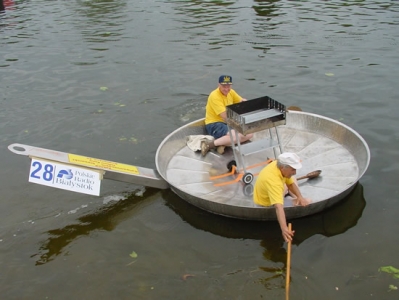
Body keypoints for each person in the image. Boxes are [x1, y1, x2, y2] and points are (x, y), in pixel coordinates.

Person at [253, 152, 311, 242]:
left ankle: (293, 197)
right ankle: (291, 199)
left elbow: (290, 183)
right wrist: (284, 229)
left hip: (270, 191)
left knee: (293, 180)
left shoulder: (277, 165)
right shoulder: (274, 182)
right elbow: (278, 207)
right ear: (283, 168)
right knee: (308, 200)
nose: (295, 172)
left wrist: (300, 197)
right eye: (293, 170)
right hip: (266, 203)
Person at [201, 75, 253, 156]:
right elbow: (224, 116)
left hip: (227, 123)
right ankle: (209, 144)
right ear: (219, 85)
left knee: (249, 134)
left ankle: (223, 143)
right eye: (224, 86)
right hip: (214, 123)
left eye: (228, 86)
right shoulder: (214, 96)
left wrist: (245, 103)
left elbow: (240, 101)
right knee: (235, 136)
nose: (226, 89)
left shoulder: (231, 92)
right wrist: (238, 125)